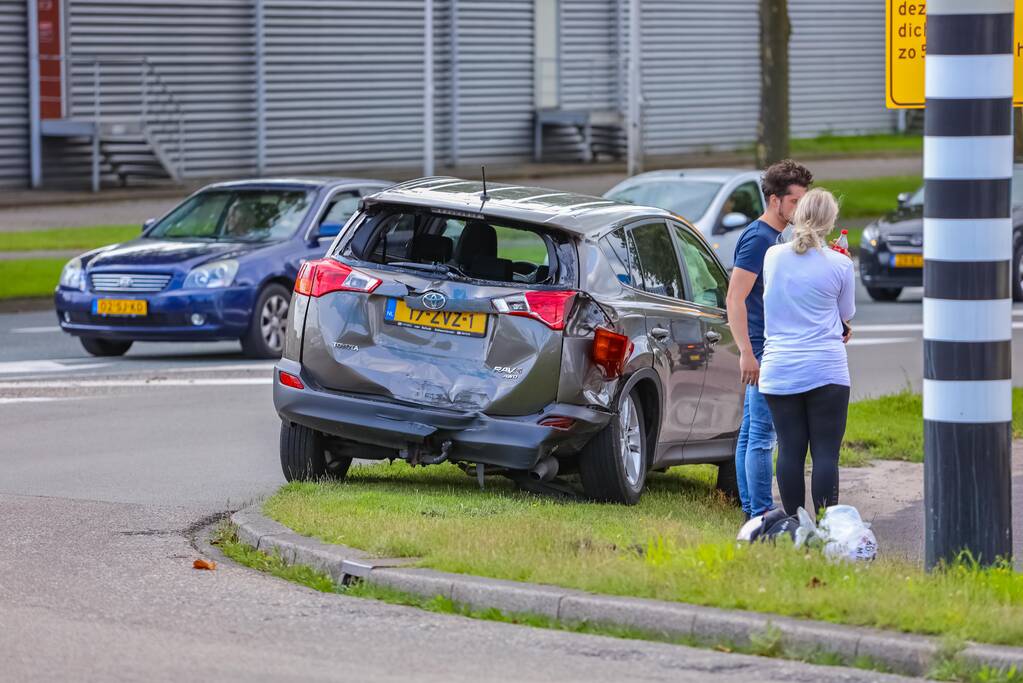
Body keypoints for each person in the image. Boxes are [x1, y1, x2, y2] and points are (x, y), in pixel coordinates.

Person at [758, 188, 855, 516]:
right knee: (826, 453)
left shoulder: (773, 256)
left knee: (789, 450)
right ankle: (828, 527)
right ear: (831, 221)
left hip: (780, 367)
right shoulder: (840, 264)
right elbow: (846, 313)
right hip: (826, 368)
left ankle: (796, 528)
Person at [725, 159, 812, 519]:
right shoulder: (759, 239)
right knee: (762, 437)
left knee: (750, 434)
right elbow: (735, 298)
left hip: (766, 347)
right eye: (795, 202)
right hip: (761, 350)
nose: (800, 210)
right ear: (775, 200)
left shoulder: (778, 238)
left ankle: (751, 510)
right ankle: (761, 513)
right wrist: (747, 352)